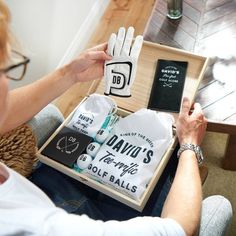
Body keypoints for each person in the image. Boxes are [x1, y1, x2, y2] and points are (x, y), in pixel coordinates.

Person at [0, 1, 233, 235]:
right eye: (5, 69)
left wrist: (69, 73)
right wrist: (190, 146)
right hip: (90, 218)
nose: (8, 81)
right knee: (217, 203)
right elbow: (178, 229)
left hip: (48, 190)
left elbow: (5, 111)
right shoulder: (33, 226)